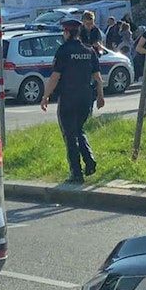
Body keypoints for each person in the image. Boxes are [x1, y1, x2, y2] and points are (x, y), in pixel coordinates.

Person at [40, 18, 104, 184]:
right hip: (85, 98)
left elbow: (55, 77)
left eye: (64, 31)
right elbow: (98, 77)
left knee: (70, 135)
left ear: (67, 32)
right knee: (79, 129)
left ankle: (76, 172)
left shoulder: (63, 51)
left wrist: (45, 96)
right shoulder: (89, 51)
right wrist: (100, 96)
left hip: (68, 98)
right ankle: (89, 161)